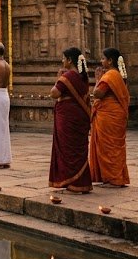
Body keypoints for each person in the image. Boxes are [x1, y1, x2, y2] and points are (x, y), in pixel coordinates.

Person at [48, 47, 92, 193]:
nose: (62, 61)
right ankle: (80, 182)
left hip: (68, 117)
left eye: (63, 58)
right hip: (80, 117)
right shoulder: (82, 76)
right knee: (77, 149)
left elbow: (54, 93)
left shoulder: (68, 77)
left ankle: (73, 182)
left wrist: (57, 79)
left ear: (69, 60)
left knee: (68, 149)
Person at [90, 47, 131, 187]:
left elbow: (98, 93)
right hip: (115, 115)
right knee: (115, 148)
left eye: (103, 58)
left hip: (109, 116)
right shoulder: (118, 75)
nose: (101, 61)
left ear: (110, 60)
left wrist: (97, 80)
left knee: (108, 148)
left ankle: (113, 179)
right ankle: (117, 177)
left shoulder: (110, 76)